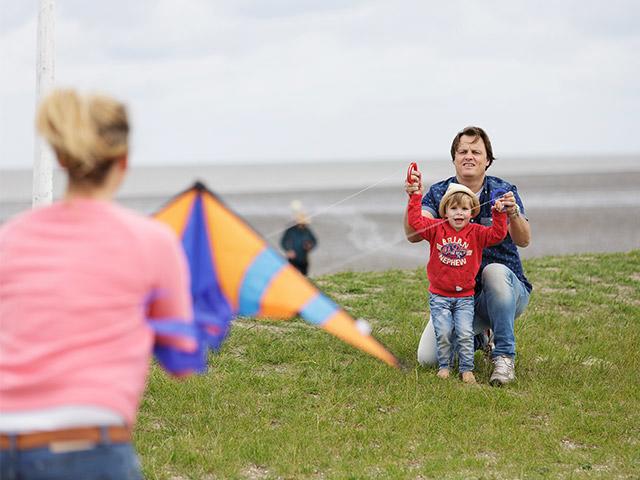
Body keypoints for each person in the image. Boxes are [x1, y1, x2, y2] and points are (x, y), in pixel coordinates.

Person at [0, 89, 194, 479]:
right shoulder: (152, 242)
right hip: (87, 446)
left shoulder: (10, 238)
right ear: (123, 161)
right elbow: (181, 356)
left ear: (61, 158)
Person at [404, 126, 532, 386]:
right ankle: (480, 337)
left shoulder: (503, 189)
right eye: (462, 151)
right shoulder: (440, 192)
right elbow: (415, 233)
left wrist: (513, 213)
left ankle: (504, 355)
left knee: (493, 271)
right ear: (454, 158)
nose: (469, 156)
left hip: (506, 292)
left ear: (487, 160)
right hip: (458, 298)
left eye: (476, 151)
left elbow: (524, 240)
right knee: (428, 359)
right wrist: (413, 197)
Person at [407, 182, 508, 384]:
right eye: (454, 208)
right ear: (445, 212)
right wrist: (415, 197)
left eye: (464, 208)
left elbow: (498, 235)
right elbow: (416, 222)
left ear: (472, 212)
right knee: (443, 332)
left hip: (465, 297)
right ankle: (445, 366)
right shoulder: (436, 229)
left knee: (464, 332)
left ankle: (466, 369)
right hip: (439, 296)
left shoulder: (477, 232)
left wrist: (499, 214)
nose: (459, 213)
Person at [280, 200, 317, 275]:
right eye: (302, 223)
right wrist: (288, 250)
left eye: (304, 223)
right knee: (292, 275)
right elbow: (283, 242)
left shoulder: (307, 230)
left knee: (304, 276)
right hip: (292, 258)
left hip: (303, 258)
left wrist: (310, 246)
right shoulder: (290, 230)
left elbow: (315, 241)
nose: (303, 225)